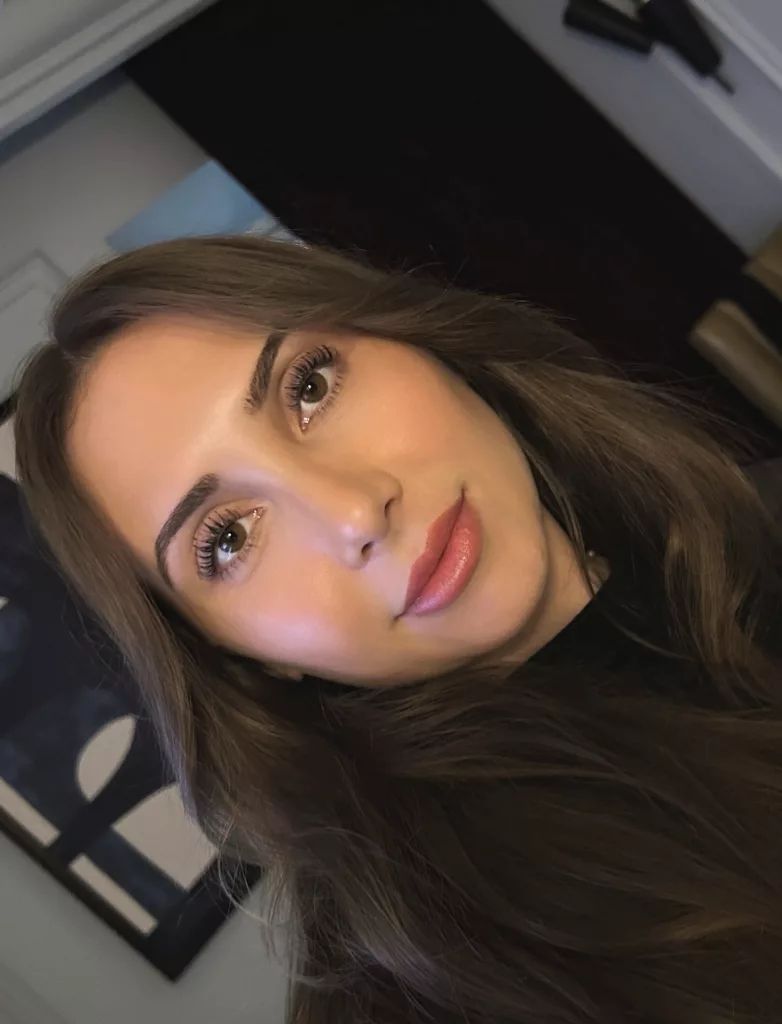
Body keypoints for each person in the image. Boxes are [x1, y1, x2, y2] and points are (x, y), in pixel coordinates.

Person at [12, 235, 782, 1024]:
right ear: (241, 655)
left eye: (309, 385)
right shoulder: (421, 993)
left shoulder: (749, 520)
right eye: (229, 538)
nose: (354, 513)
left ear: (418, 341)